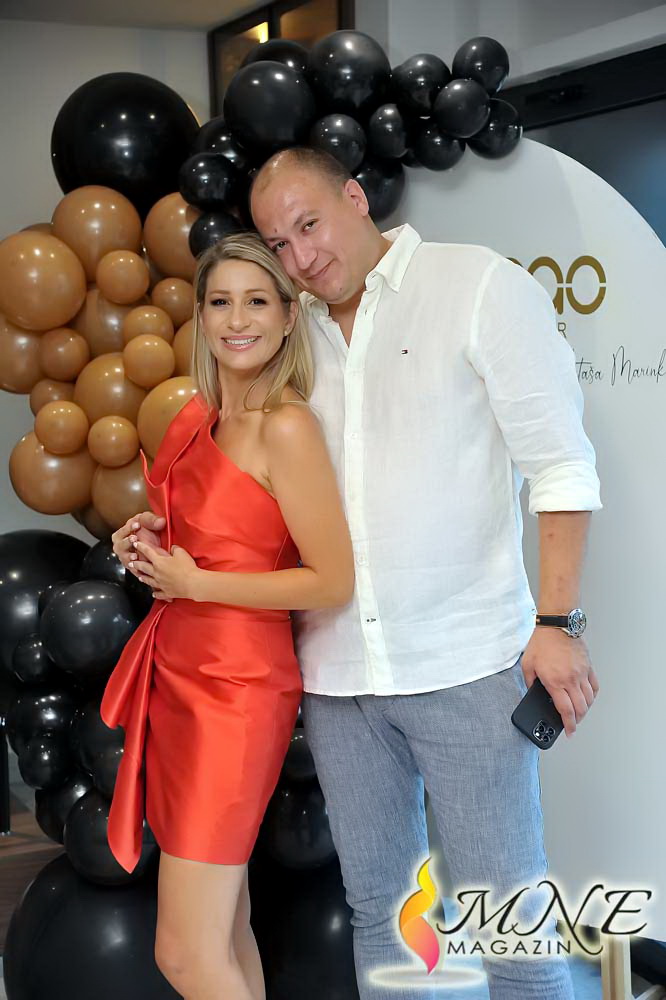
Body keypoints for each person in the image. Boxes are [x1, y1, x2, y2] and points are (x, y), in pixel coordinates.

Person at [250, 147, 602, 1000]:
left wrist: (557, 625)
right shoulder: (288, 334)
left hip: (467, 664)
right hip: (338, 677)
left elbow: (560, 466)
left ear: (355, 197)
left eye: (309, 224)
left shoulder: (476, 285)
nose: (301, 256)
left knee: (511, 925)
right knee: (382, 914)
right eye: (279, 243)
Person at [100, 231, 355, 1000]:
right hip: (179, 675)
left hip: (237, 692)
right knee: (225, 930)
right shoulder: (198, 417)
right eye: (220, 302)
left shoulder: (287, 425)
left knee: (184, 954)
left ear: (288, 316)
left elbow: (331, 580)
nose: (237, 320)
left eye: (256, 302)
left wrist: (198, 582)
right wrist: (148, 540)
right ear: (202, 316)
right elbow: (214, 535)